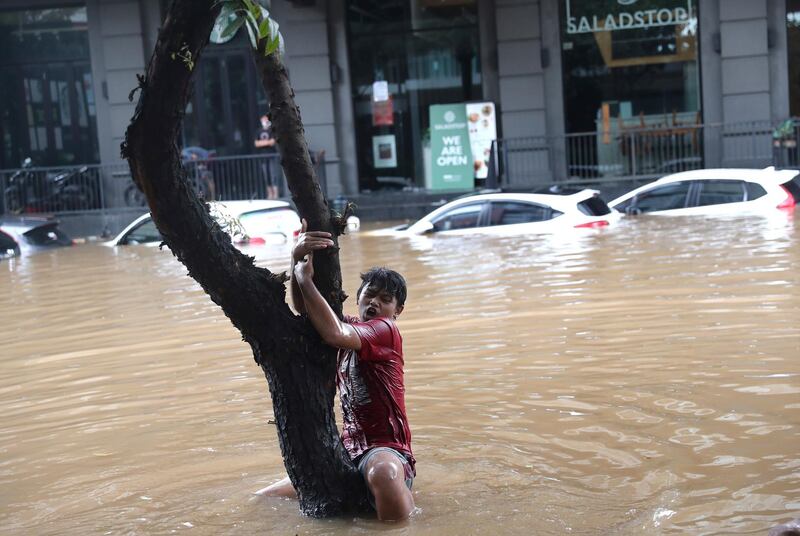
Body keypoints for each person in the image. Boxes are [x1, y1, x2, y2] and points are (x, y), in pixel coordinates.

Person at [256, 220, 416, 521]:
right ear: (357, 298)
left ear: (397, 312)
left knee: (383, 471)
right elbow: (307, 312)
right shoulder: (351, 326)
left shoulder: (386, 330)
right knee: (265, 499)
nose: (375, 303)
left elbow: (333, 334)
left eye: (385, 300)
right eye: (370, 294)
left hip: (384, 449)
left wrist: (305, 280)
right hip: (345, 451)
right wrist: (296, 262)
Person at [254, 113, 278, 200]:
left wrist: (263, 143)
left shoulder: (272, 131)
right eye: (263, 120)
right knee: (266, 175)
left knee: (272, 175)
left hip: (271, 156)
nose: (265, 121)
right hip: (263, 157)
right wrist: (267, 142)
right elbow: (256, 144)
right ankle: (270, 194)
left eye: (266, 120)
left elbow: (272, 142)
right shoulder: (258, 131)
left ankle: (275, 194)